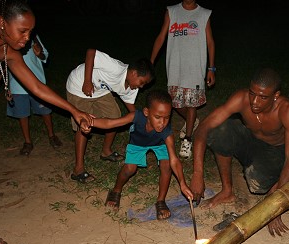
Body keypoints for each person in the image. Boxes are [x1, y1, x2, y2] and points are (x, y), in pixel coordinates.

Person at [0, 0, 92, 244]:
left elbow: (36, 87)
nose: (27, 37)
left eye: (30, 32)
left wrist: (74, 110)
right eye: (22, 30)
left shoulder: (7, 51)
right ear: (1, 24)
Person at [190, 68, 289, 237]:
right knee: (218, 132)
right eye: (252, 93)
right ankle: (227, 191)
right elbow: (203, 128)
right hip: (250, 139)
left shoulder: (287, 110)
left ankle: (274, 183)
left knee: (257, 185)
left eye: (263, 97)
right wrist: (197, 173)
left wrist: (275, 206)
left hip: (273, 151)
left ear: (276, 95)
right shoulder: (241, 99)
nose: (255, 101)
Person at [82, 89, 193, 219]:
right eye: (157, 117)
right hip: (138, 142)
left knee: (167, 164)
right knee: (130, 169)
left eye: (167, 117)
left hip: (159, 143)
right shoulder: (137, 116)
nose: (162, 123)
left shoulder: (166, 133)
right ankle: (116, 190)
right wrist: (90, 122)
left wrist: (182, 183)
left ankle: (161, 200)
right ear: (147, 112)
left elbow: (174, 160)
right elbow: (110, 123)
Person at [66, 50, 154, 183]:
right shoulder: (116, 68)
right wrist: (87, 81)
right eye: (141, 82)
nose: (141, 87)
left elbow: (132, 111)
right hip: (79, 85)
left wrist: (144, 122)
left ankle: (106, 151)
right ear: (134, 73)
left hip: (100, 91)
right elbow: (91, 53)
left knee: (115, 116)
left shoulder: (131, 88)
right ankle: (78, 169)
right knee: (84, 124)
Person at [150, 0, 216, 159]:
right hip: (175, 67)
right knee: (174, 102)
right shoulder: (171, 11)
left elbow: (210, 42)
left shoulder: (204, 14)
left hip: (195, 68)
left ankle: (188, 139)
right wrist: (151, 62)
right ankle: (192, 121)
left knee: (191, 104)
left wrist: (211, 68)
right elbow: (161, 37)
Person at [6, 33, 62, 156]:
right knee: (22, 115)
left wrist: (39, 54)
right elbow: (3, 63)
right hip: (17, 85)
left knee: (46, 111)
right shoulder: (9, 39)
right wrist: (7, 86)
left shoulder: (33, 37)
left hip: (37, 83)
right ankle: (27, 142)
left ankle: (52, 135)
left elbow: (45, 55)